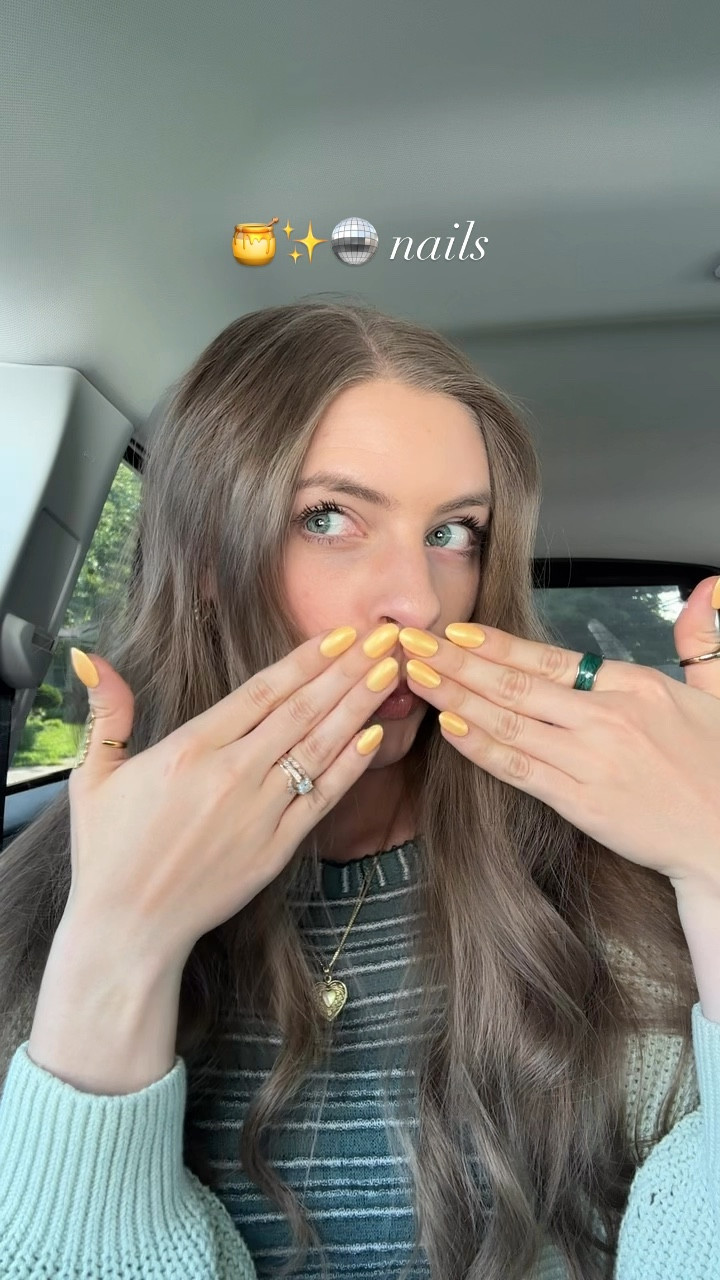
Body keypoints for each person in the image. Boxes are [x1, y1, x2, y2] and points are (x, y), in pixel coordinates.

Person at [0, 297, 718, 1280]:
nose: (418, 600)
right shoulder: (34, 904)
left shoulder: (614, 891)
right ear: (207, 559)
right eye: (328, 518)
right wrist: (117, 944)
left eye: (454, 531)